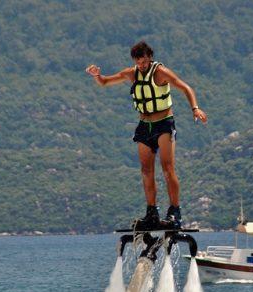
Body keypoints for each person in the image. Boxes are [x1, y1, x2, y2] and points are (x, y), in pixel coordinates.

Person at [86, 41, 208, 229]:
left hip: (164, 124)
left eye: (144, 61)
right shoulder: (131, 73)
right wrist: (96, 75)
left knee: (167, 168)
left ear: (150, 58)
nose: (142, 65)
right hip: (144, 126)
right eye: (138, 62)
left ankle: (175, 211)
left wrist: (195, 108)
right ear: (134, 60)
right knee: (146, 171)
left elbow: (186, 88)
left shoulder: (161, 72)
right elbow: (104, 82)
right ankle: (151, 212)